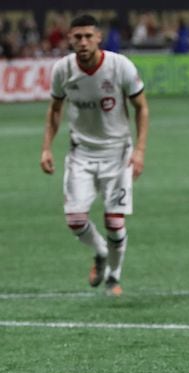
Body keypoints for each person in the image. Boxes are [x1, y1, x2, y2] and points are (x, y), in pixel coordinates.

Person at [40, 14, 149, 297]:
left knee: (114, 222)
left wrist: (139, 150)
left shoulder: (119, 65)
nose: (83, 42)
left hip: (118, 154)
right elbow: (54, 110)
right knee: (75, 220)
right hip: (81, 154)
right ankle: (101, 254)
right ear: (70, 40)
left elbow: (141, 107)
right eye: (78, 37)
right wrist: (46, 148)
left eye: (89, 36)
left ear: (99, 38)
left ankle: (114, 277)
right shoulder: (63, 70)